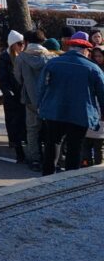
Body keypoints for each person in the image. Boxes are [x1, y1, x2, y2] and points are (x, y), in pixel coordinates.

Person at [37, 34, 104, 176]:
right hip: (80, 113)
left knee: (53, 142)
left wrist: (40, 105)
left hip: (54, 111)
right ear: (86, 50)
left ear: (70, 48)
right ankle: (69, 177)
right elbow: (102, 93)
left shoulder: (53, 63)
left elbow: (41, 87)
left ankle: (47, 175)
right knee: (75, 146)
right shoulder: (93, 68)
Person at [15, 29, 52, 171]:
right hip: (48, 98)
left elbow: (18, 78)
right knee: (50, 130)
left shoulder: (21, 58)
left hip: (30, 98)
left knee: (32, 130)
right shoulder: (50, 57)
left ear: (26, 41)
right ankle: (50, 158)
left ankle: (34, 159)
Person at [0, 31, 27, 163]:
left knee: (24, 123)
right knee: (14, 123)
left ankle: (24, 149)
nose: (22, 46)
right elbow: (2, 78)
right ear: (13, 45)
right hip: (12, 97)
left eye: (23, 43)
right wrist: (8, 92)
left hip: (23, 95)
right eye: (19, 44)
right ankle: (18, 152)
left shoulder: (24, 56)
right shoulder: (5, 58)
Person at [83, 47, 104, 166]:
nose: (97, 58)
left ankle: (96, 165)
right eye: (95, 56)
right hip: (91, 106)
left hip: (100, 107)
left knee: (98, 143)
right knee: (88, 141)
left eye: (100, 56)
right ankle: (87, 164)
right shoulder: (90, 68)